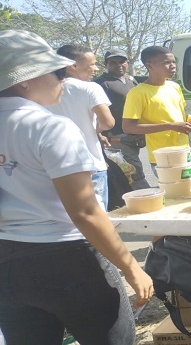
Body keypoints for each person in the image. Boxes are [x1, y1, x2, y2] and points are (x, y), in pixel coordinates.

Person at [0, 30, 152, 344]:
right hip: (68, 257)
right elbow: (84, 212)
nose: (64, 79)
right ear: (23, 80)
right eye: (57, 72)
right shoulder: (49, 127)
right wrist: (131, 267)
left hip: (7, 263)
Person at [48, 44, 114, 211]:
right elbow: (108, 122)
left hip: (56, 168)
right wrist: (95, 130)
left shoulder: (45, 89)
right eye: (92, 64)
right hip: (91, 165)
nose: (95, 69)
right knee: (96, 217)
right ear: (73, 65)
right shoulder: (90, 88)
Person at [122, 46, 191, 172]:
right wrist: (170, 126)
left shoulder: (174, 87)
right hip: (162, 157)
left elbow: (177, 116)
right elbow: (128, 127)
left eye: (173, 62)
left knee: (188, 185)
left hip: (184, 152)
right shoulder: (137, 93)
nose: (173, 66)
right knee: (175, 186)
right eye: (166, 62)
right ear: (149, 66)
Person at [95, 49, 151, 189]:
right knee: (134, 173)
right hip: (116, 137)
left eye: (122, 61)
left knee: (128, 173)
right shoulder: (101, 84)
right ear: (106, 65)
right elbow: (94, 112)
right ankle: (147, 197)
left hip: (135, 135)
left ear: (128, 63)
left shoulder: (131, 80)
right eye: (113, 62)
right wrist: (100, 134)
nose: (118, 65)